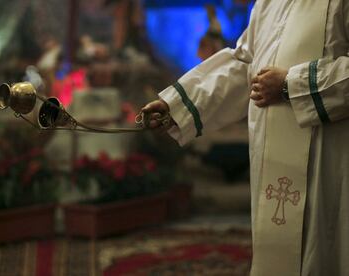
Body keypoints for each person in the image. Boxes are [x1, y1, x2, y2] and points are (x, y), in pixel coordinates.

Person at [141, 1, 349, 275]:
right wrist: (177, 106)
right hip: (273, 152)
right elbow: (244, 65)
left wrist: (290, 84)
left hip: (330, 160)